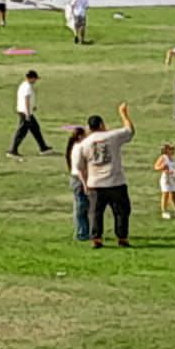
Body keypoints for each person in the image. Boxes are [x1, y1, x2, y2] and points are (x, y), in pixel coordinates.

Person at [72, 102, 135, 249]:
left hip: (95, 183)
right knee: (121, 212)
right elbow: (129, 131)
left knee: (95, 213)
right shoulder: (112, 136)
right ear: (101, 124)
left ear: (89, 128)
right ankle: (122, 238)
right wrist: (123, 113)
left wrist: (85, 183)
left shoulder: (84, 144)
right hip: (116, 182)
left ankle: (97, 239)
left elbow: (80, 167)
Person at [8, 70, 54, 158]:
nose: (35, 81)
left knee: (36, 129)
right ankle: (12, 150)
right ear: (31, 78)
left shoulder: (23, 85)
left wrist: (32, 107)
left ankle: (43, 148)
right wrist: (28, 113)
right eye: (35, 79)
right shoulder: (27, 87)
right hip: (26, 113)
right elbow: (26, 100)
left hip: (24, 111)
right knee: (21, 132)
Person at [65, 127, 91, 242]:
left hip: (76, 179)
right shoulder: (79, 148)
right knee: (81, 207)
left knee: (81, 206)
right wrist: (85, 184)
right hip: (79, 180)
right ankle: (82, 233)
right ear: (80, 136)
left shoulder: (74, 147)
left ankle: (84, 231)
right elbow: (80, 169)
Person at [154, 142, 175, 220]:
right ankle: (164, 212)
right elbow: (156, 167)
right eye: (171, 149)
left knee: (174, 195)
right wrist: (162, 167)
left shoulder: (172, 159)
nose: (173, 151)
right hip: (166, 179)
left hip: (173, 179)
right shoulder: (163, 157)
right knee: (166, 194)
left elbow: (173, 170)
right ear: (167, 150)